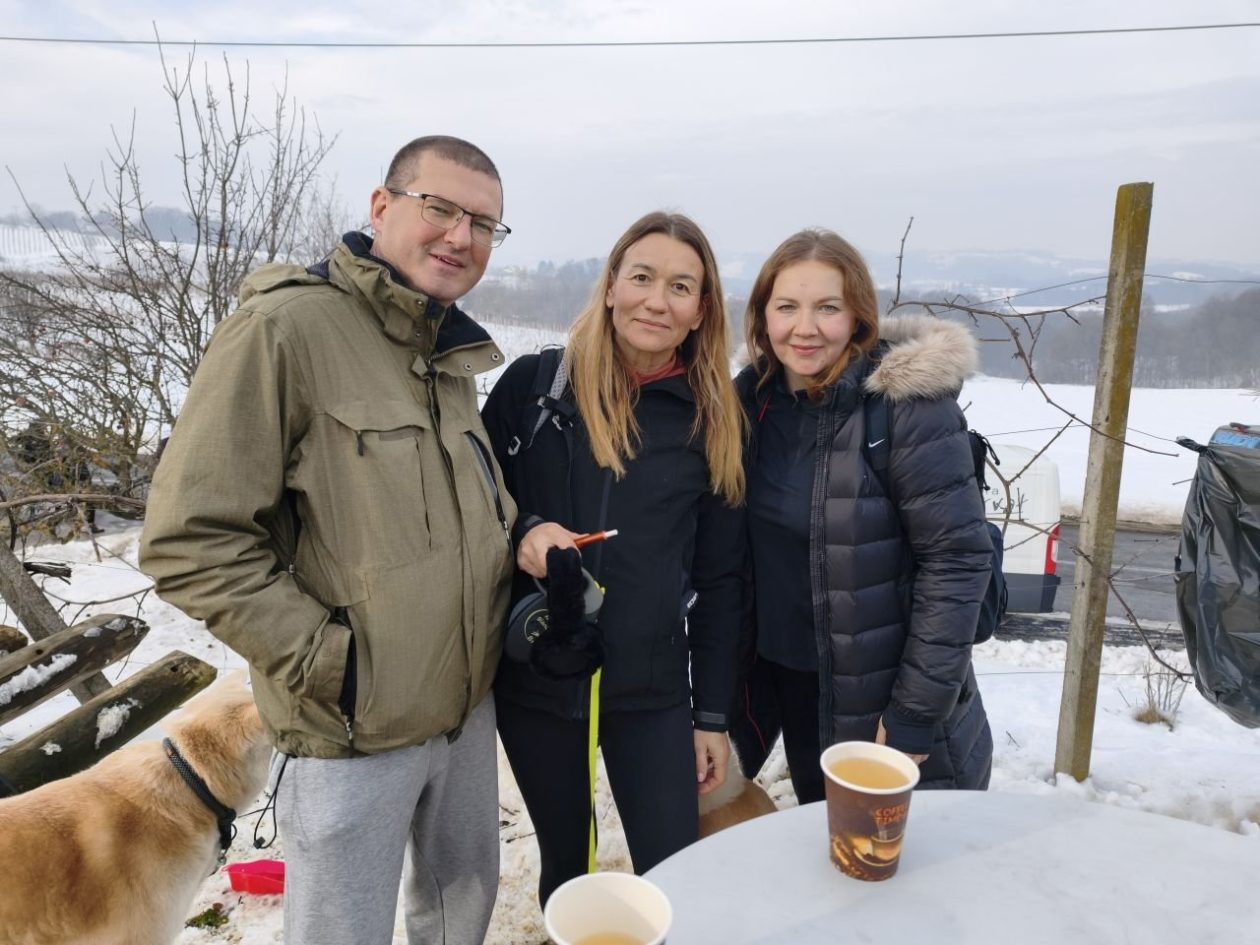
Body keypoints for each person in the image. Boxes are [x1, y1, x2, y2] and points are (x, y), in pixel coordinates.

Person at [139, 135, 516, 945]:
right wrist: (328, 663)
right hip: (351, 731)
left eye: (484, 224)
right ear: (382, 208)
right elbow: (188, 538)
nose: (461, 236)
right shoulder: (286, 331)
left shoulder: (447, 354)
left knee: (459, 913)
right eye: (440, 208)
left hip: (463, 713)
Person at [480, 211, 746, 906]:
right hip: (539, 677)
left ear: (700, 311)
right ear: (609, 288)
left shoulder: (711, 420)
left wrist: (711, 714)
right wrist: (528, 530)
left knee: (673, 876)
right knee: (568, 867)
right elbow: (472, 510)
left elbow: (721, 581)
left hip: (651, 691)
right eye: (643, 277)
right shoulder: (535, 388)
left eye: (681, 287)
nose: (658, 300)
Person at [732, 228, 994, 804]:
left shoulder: (906, 409)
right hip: (797, 695)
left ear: (858, 317)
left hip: (885, 707)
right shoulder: (748, 405)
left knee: (902, 875)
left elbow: (956, 561)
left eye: (828, 307)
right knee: (835, 859)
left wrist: (914, 713)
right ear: (761, 316)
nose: (805, 327)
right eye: (787, 307)